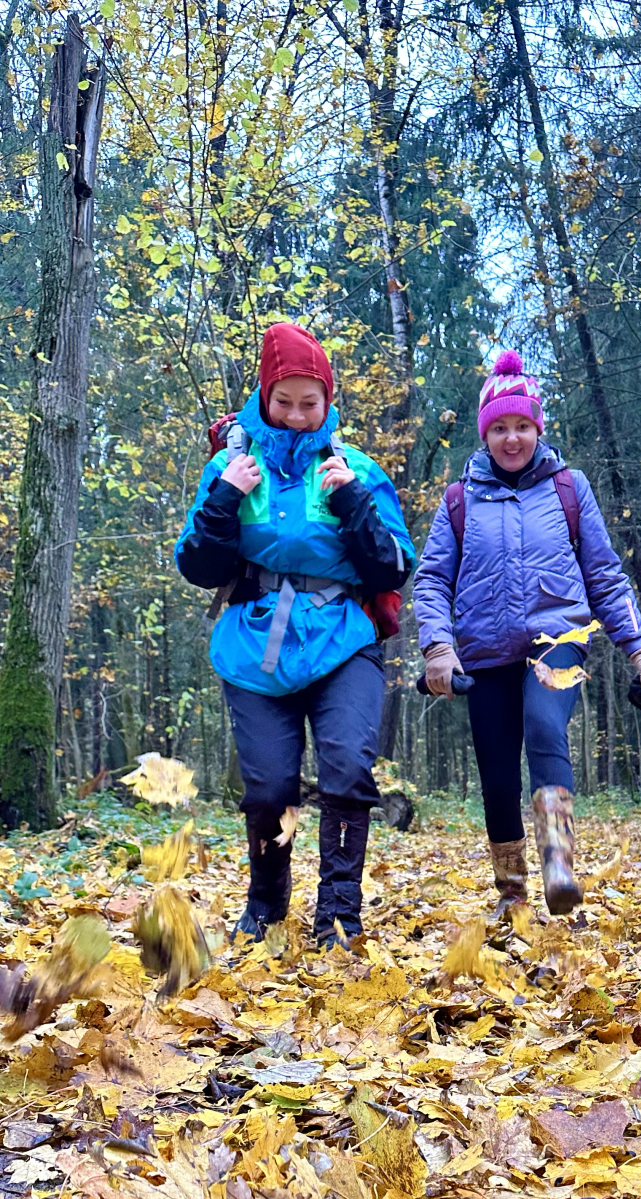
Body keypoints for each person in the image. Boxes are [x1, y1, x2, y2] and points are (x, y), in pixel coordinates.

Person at [176, 321, 414, 945]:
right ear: (263, 394)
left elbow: (395, 564)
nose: (298, 416)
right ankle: (265, 908)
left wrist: (354, 503)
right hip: (254, 646)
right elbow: (197, 565)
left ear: (329, 402)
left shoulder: (353, 466)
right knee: (272, 786)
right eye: (285, 402)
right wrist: (225, 498)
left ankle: (338, 912)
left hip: (343, 641)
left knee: (346, 769)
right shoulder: (231, 465)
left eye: (312, 404)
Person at [413, 350, 641, 916]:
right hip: (481, 652)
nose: (511, 438)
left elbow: (604, 573)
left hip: (560, 637)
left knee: (545, 724)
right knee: (497, 772)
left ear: (537, 427)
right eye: (499, 427)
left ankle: (558, 860)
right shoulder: (459, 500)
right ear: (484, 433)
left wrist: (640, 649)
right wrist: (438, 647)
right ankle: (511, 892)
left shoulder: (569, 489)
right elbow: (430, 581)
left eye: (521, 425)